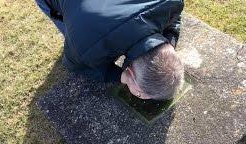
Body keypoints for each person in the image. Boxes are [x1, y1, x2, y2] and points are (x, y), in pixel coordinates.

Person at [35, 0, 185, 100]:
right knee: (65, 19)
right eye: (140, 93)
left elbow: (174, 17)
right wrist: (119, 76)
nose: (138, 94)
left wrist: (170, 42)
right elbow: (76, 65)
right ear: (130, 72)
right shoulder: (84, 47)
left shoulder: (170, 2)